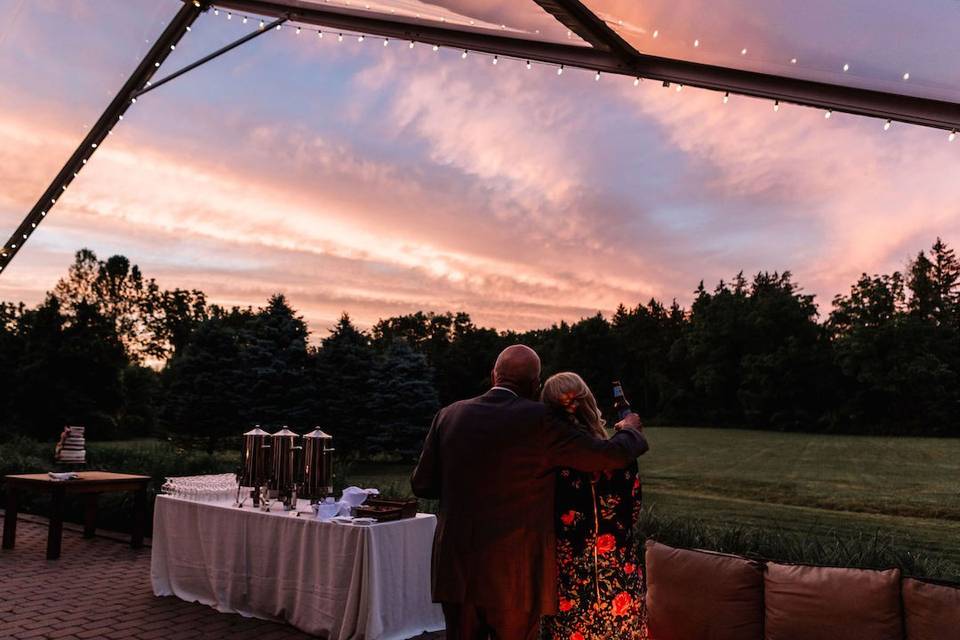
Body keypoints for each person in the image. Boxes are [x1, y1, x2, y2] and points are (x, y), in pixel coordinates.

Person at [411, 345, 649, 640]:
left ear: (493, 375)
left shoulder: (448, 415)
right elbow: (606, 456)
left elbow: (422, 485)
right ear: (534, 386)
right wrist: (631, 431)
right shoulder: (540, 421)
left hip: (457, 568)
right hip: (514, 577)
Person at [539, 372, 647, 640]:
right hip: (620, 576)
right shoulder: (621, 459)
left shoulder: (546, 462)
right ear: (588, 404)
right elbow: (633, 511)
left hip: (568, 581)